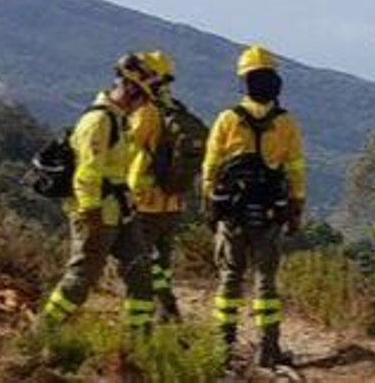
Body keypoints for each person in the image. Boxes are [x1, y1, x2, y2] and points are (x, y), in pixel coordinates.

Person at [38, 54, 160, 332]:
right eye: (143, 97)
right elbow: (87, 173)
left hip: (119, 211)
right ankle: (42, 332)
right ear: (130, 90)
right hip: (97, 213)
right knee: (81, 280)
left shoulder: (118, 121)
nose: (143, 105)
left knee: (140, 273)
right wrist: (91, 214)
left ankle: (138, 341)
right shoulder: (98, 122)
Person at [203, 44, 307, 368]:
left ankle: (223, 347)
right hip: (269, 214)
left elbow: (211, 167)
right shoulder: (286, 122)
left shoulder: (227, 119)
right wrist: (295, 208)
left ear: (243, 82)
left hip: (231, 213)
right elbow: (295, 169)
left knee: (229, 277)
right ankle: (268, 349)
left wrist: (210, 205)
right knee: (265, 279)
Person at [126, 50, 187, 321]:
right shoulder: (176, 110)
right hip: (172, 201)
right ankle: (168, 311)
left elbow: (127, 147)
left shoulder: (147, 111)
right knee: (160, 262)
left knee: (138, 263)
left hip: (145, 199)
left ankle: (145, 321)